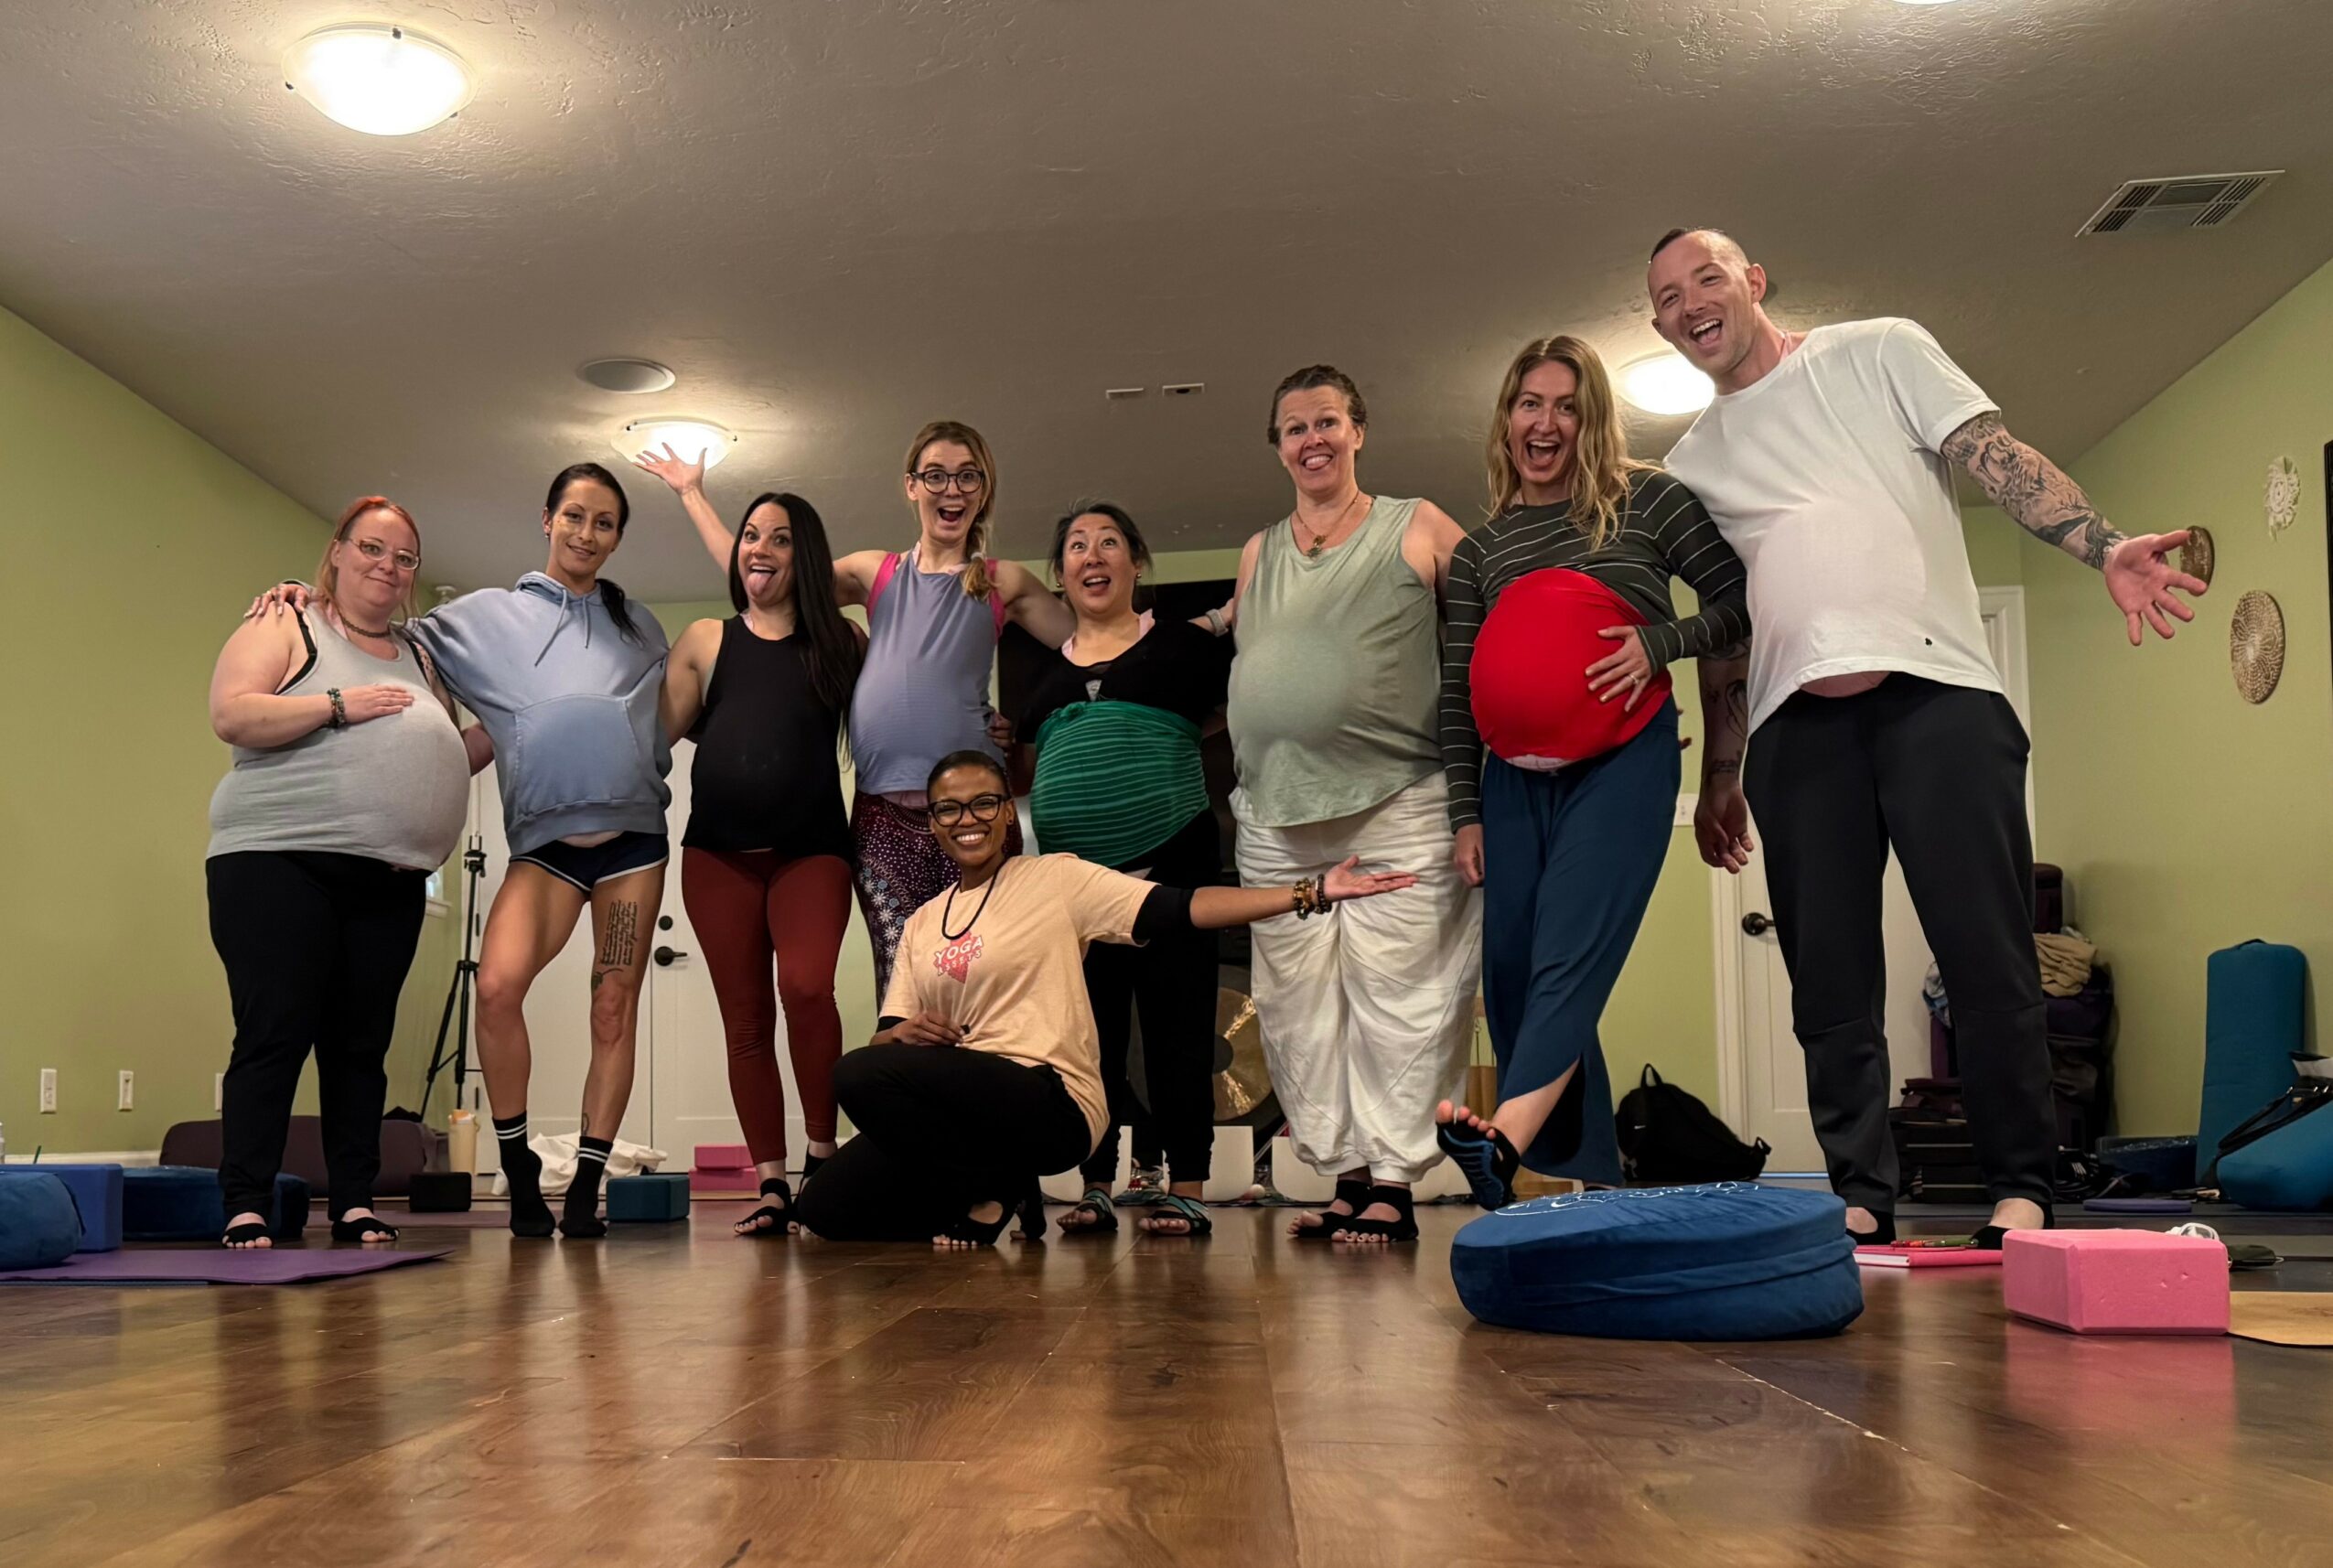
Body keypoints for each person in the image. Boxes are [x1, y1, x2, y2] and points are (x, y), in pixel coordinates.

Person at [1646, 227, 2205, 1247]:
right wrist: (1722, 776)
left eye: (1707, 277)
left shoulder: (1880, 350)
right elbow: (1730, 627)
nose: (1690, 304)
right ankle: (1860, 1191)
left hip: (1940, 698)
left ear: (1754, 281)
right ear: (1659, 325)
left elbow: (1995, 459)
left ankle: (2022, 1188)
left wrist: (2105, 546)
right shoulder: (1694, 459)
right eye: (1668, 297)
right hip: (1791, 730)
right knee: (1828, 977)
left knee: (1988, 954)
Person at [253, 464, 672, 1239]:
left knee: (613, 1004)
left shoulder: (639, 623)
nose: (587, 533)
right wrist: (301, 592)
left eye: (605, 522)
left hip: (633, 850)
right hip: (545, 846)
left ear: (617, 537)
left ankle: (585, 1184)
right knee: (496, 988)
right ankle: (518, 1172)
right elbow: (373, 621)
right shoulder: (480, 618)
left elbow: (664, 714)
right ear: (547, 520)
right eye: (575, 516)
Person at [793, 752, 1415, 1248]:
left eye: (984, 802)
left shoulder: (1055, 879)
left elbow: (1182, 905)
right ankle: (989, 1188)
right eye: (948, 809)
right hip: (963, 1109)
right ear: (932, 823)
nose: (967, 819)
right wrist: (900, 1038)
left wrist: (1309, 892)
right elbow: (887, 1036)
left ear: (1008, 813)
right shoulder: (924, 923)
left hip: (1050, 1100)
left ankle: (994, 1191)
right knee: (824, 1207)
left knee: (855, 1073)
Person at [1432, 337, 1751, 1206]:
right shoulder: (1481, 551)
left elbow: (1740, 602)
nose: (1546, 423)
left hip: (1623, 762)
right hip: (1510, 779)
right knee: (1511, 975)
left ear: (1593, 419)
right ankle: (1596, 1174)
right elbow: (1457, 692)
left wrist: (1659, 643)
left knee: (1569, 957)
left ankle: (1503, 1145)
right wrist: (1467, 813)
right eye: (1529, 405)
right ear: (1506, 422)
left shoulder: (1647, 503)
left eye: (1566, 406)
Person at [639, 423, 1073, 1004]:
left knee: (986, 980)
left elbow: (1086, 649)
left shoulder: (1001, 582)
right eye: (936, 475)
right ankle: (907, 1093)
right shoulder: (877, 572)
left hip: (973, 812)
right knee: (902, 986)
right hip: (881, 817)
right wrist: (692, 494)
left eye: (968, 476)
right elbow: (762, 575)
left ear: (984, 490)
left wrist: (1024, 725)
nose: (953, 489)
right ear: (912, 487)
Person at [1220, 365, 1478, 1243]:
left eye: (1327, 421)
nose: (1312, 440)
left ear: (1358, 430)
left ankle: (1396, 1184)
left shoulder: (1419, 524)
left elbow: (1507, 618)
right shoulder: (1260, 551)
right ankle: (1346, 1172)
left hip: (1398, 799)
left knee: (1399, 991)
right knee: (1298, 1006)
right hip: (1274, 813)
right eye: (1293, 428)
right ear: (1277, 446)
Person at [208, 498, 481, 1248]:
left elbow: (448, 754)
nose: (387, 567)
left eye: (403, 558)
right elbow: (233, 715)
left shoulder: (423, 656)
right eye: (371, 549)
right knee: (275, 1032)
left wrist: (528, 730)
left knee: (361, 1046)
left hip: (389, 879)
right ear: (335, 552)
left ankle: (355, 1202)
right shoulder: (285, 621)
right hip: (278, 861)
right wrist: (338, 705)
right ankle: (245, 1203)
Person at [1011, 502, 1232, 1239]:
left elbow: (1237, 714)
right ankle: (1097, 1184)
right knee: (1089, 1039)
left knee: (1181, 1031)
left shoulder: (1185, 649)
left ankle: (1189, 1185)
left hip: (1173, 866)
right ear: (1062, 575)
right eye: (1076, 545)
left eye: (1109, 542)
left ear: (1137, 564)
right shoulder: (1042, 680)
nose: (1092, 555)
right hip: (1077, 890)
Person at [660, 491, 863, 1236]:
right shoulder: (705, 639)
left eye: (779, 538)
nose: (760, 549)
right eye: (751, 535)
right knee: (745, 1021)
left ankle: (821, 1156)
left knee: (807, 989)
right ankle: (772, 1182)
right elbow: (656, 736)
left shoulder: (843, 643)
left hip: (812, 853)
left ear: (801, 555)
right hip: (717, 859)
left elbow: (895, 719)